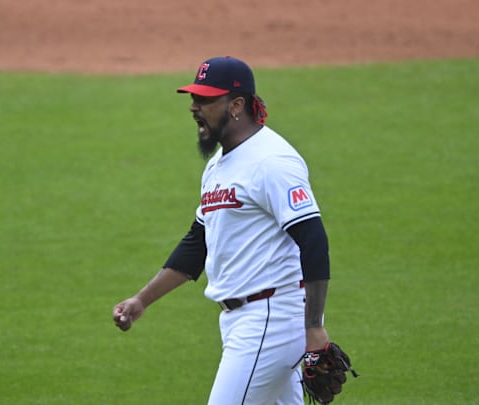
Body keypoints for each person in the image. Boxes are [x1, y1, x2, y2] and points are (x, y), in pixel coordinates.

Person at [112, 56, 333, 405]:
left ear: (237, 106)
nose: (194, 107)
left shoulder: (271, 161)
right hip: (242, 322)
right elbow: (197, 243)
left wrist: (314, 327)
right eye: (194, 98)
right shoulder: (218, 165)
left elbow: (313, 238)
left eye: (205, 100)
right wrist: (142, 299)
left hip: (270, 320)